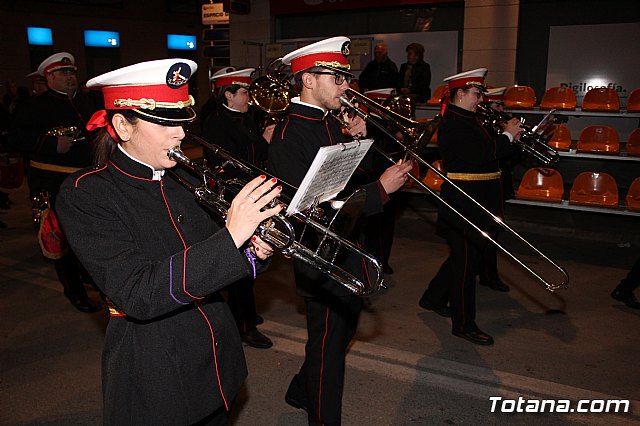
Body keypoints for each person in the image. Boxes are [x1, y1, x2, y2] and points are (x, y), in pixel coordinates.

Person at [55, 58, 283, 425]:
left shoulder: (186, 179)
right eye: (164, 121)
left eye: (181, 119)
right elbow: (138, 293)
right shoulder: (87, 194)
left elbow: (223, 267)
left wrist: (257, 250)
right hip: (157, 373)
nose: (179, 133)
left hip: (216, 358)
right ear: (121, 127)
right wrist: (232, 237)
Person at [268, 36, 414, 425]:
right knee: (330, 348)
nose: (346, 86)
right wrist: (380, 190)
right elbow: (310, 210)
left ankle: (301, 388)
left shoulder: (328, 124)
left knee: (338, 335)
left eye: (345, 77)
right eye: (337, 78)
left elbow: (346, 184)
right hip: (319, 254)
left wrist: (360, 142)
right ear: (308, 80)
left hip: (344, 245)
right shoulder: (290, 134)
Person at [418, 69, 522, 346]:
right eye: (476, 94)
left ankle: (433, 297)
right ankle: (463, 324)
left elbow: (494, 155)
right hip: (464, 203)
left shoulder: (472, 120)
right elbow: (480, 156)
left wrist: (508, 138)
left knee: (463, 257)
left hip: (480, 200)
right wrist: (507, 137)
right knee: (466, 266)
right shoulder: (453, 122)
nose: (480, 100)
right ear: (459, 94)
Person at [9, 52, 99, 313]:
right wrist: (50, 144)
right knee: (62, 238)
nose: (71, 78)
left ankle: (87, 275)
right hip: (54, 181)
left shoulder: (84, 102)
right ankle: (74, 289)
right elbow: (15, 137)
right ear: (48, 77)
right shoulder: (36, 106)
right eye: (64, 73)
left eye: (72, 73)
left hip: (86, 180)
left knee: (89, 234)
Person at [201, 67, 274, 349]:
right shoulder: (216, 122)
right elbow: (237, 162)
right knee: (243, 259)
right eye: (244, 92)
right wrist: (264, 141)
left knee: (253, 258)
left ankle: (245, 312)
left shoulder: (244, 118)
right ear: (228, 95)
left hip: (251, 193)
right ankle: (243, 325)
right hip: (235, 198)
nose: (249, 96)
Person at [477, 86, 512, 293]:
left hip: (498, 183)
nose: (501, 109)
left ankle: (485, 272)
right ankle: (488, 275)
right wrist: (507, 136)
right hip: (485, 185)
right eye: (497, 105)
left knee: (492, 233)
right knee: (487, 235)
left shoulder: (497, 126)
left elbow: (508, 159)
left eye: (502, 105)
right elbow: (489, 153)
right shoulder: (485, 126)